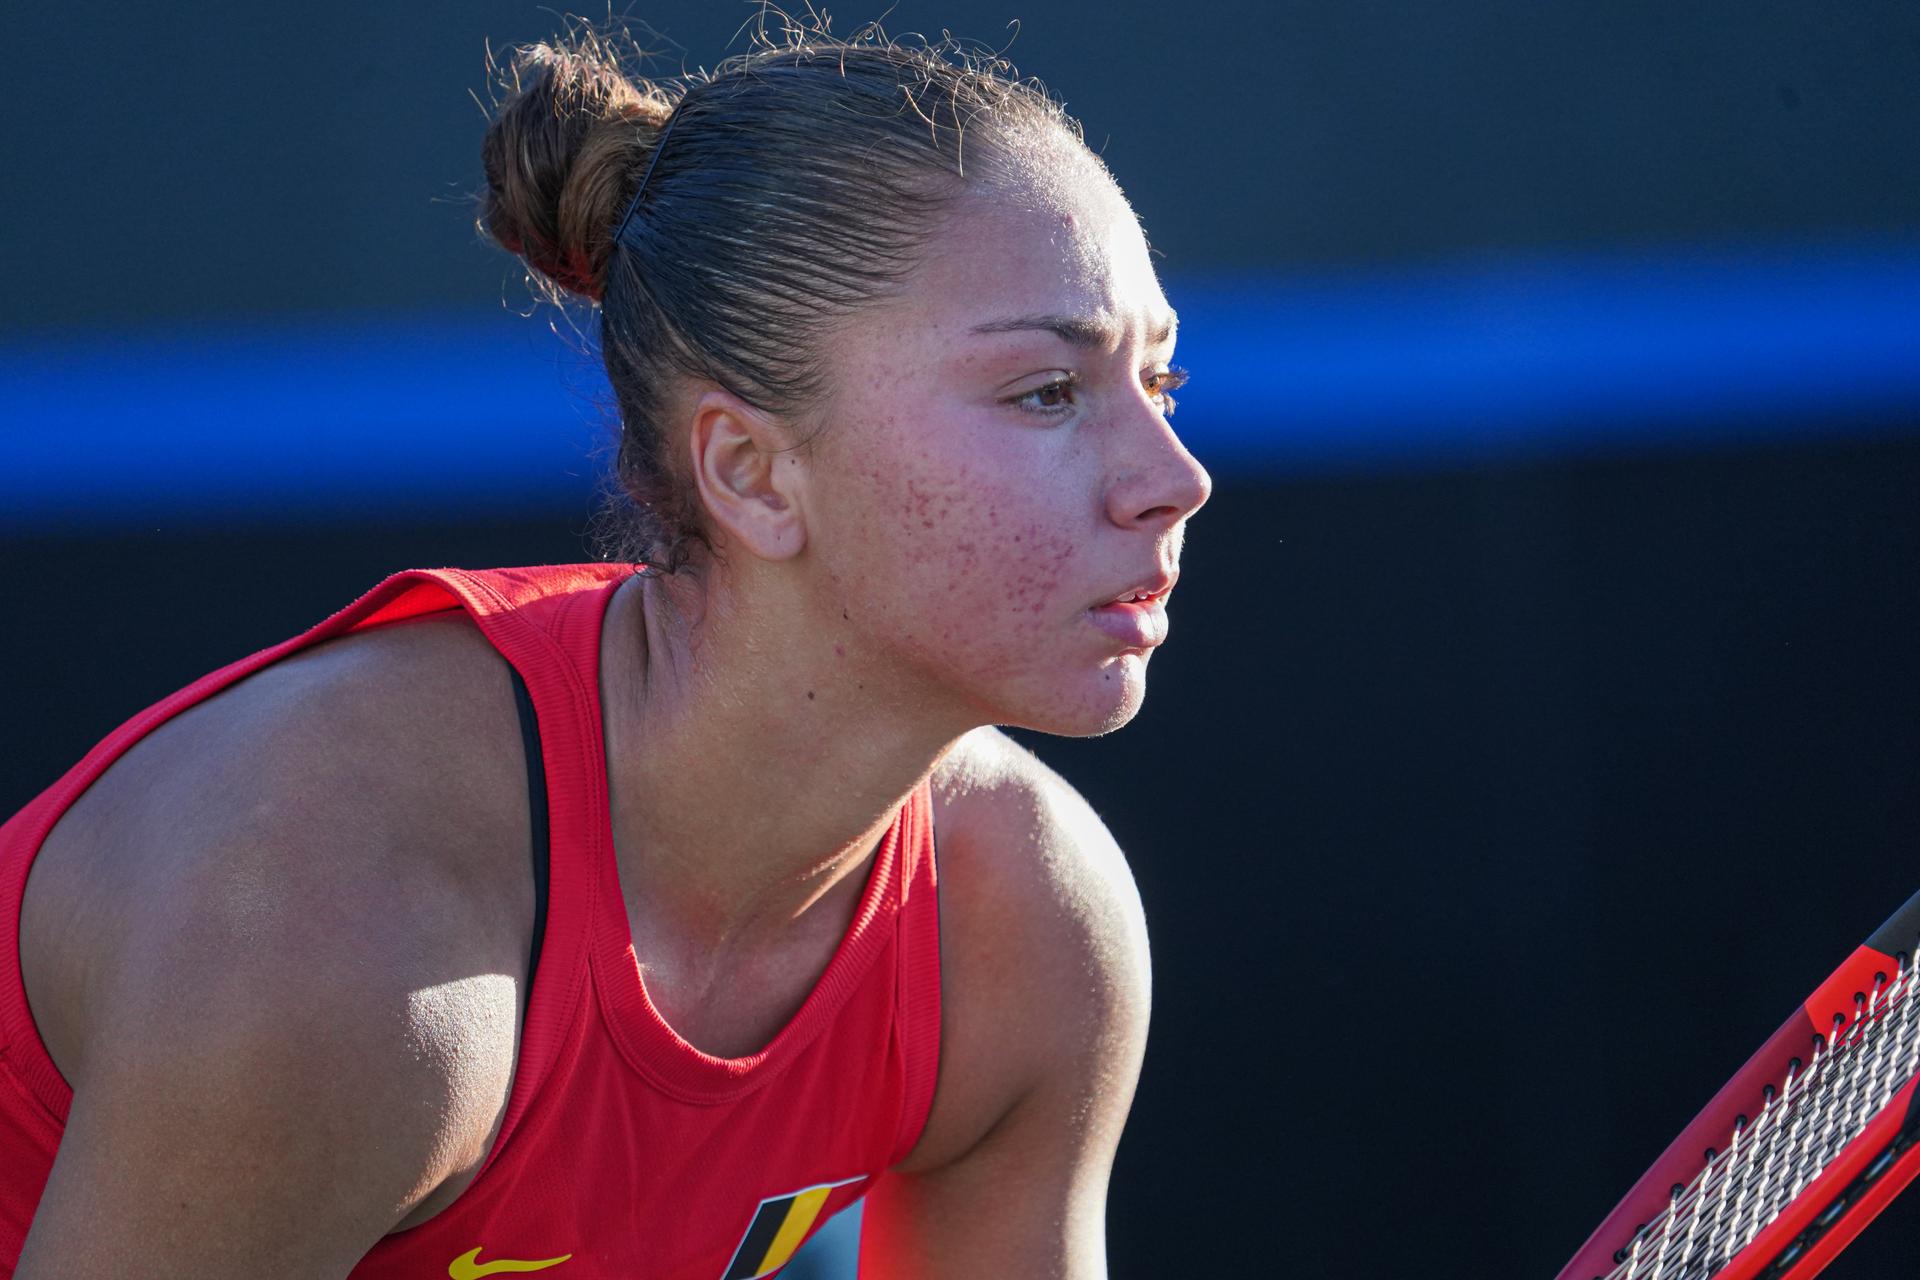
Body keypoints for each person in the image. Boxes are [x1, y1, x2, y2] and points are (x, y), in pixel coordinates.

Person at [0, 16, 1210, 1279]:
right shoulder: (334, 931)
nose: (1176, 478)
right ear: (751, 473)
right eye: (1047, 391)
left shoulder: (1025, 918)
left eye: (1161, 383)